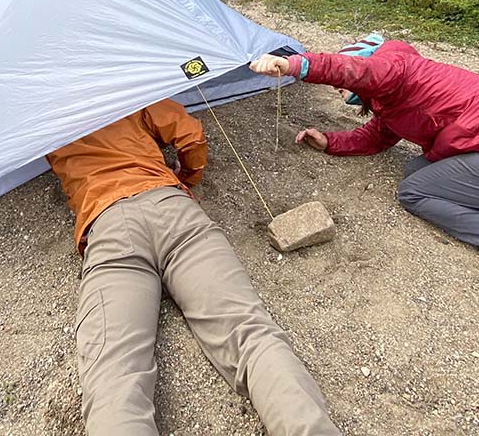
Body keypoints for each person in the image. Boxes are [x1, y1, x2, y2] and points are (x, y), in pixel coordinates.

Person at [249, 36, 479, 327]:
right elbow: (376, 137)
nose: (338, 89)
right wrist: (330, 141)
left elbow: (356, 72)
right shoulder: (395, 99)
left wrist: (294, 65)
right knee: (417, 172)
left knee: (414, 192)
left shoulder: (397, 68)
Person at [46, 98, 342, 436]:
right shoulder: (126, 83)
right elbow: (189, 134)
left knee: (114, 370)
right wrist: (189, 175)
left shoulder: (40, 112)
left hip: (109, 225)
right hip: (172, 207)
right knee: (250, 334)